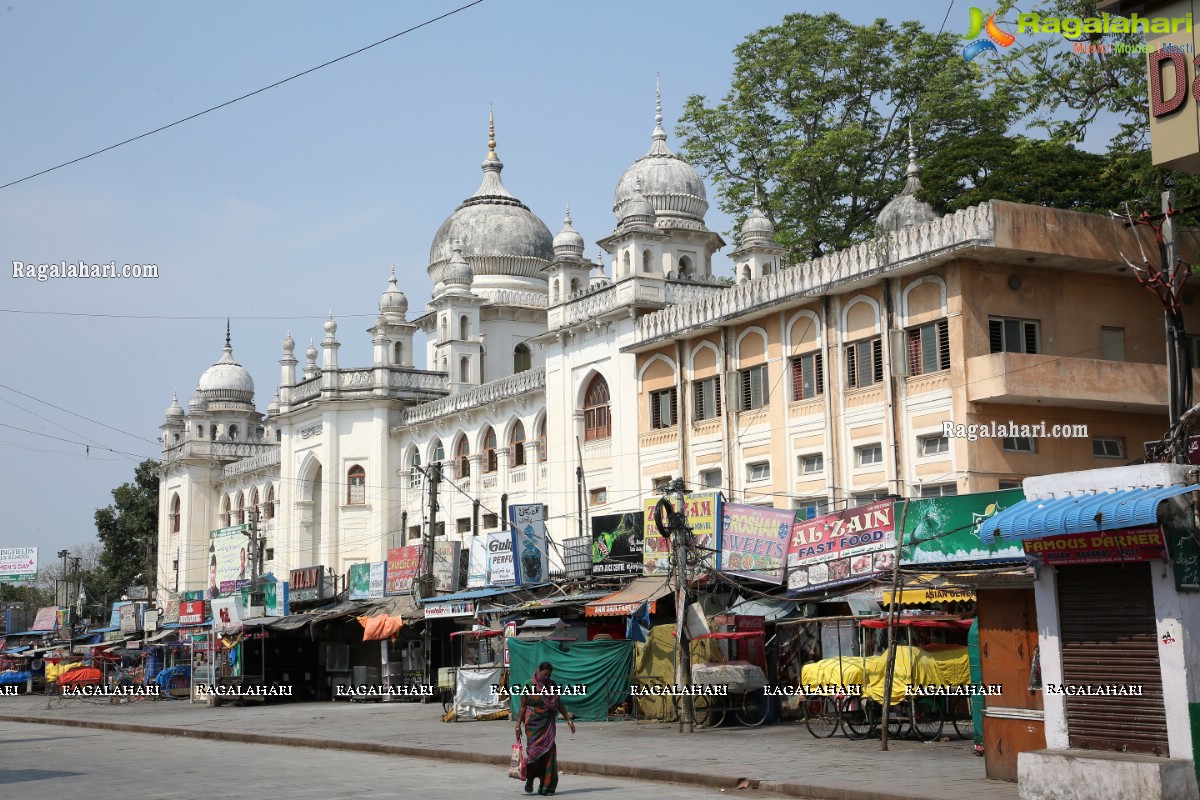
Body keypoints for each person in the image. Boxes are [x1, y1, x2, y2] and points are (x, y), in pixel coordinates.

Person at [515, 661, 575, 796]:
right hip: (533, 725)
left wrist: (568, 719)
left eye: (549, 675)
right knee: (533, 754)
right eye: (544, 675)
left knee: (548, 755)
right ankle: (530, 780)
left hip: (548, 724)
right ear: (539, 672)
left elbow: (558, 703)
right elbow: (523, 707)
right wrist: (518, 725)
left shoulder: (552, 685)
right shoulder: (528, 685)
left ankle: (546, 786)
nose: (546, 678)